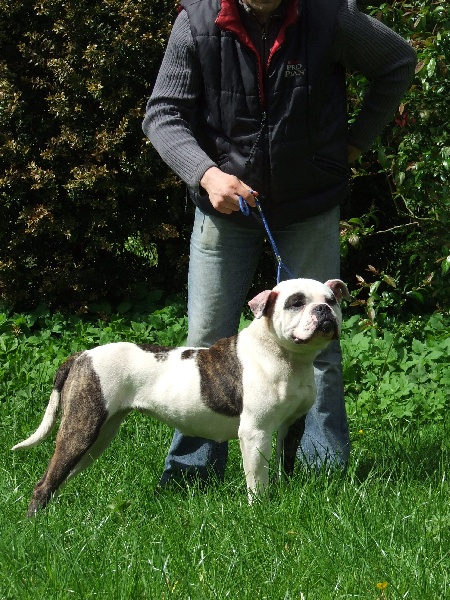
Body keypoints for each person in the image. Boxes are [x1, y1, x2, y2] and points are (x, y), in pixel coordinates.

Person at [142, 0, 417, 487]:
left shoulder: (330, 16)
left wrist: (355, 142)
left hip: (309, 203)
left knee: (320, 339)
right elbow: (163, 113)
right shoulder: (196, 22)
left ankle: (320, 474)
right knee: (205, 340)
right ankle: (192, 476)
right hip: (223, 207)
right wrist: (205, 174)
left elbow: (397, 61)